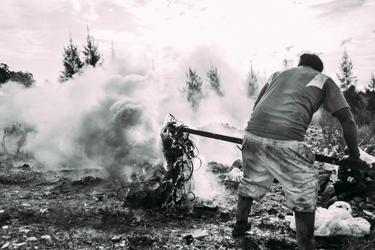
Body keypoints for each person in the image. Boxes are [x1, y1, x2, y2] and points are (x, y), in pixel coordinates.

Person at [233, 53, 362, 250]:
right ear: (318, 69)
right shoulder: (322, 79)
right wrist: (354, 157)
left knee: (250, 180)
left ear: (300, 64)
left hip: (251, 136)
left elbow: (256, 106)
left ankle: (239, 225)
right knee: (305, 190)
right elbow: (347, 119)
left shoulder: (278, 74)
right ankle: (306, 246)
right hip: (286, 141)